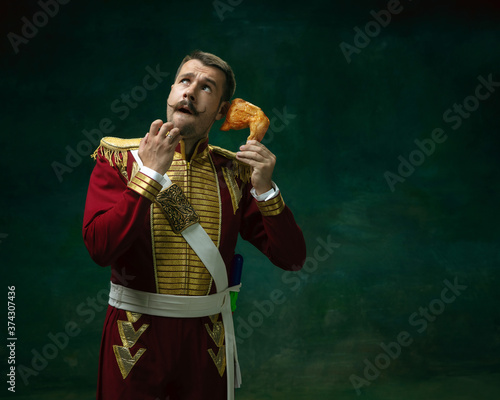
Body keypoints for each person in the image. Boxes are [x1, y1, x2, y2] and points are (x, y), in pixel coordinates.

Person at [83, 50, 306, 400]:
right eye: (185, 81)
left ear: (221, 111)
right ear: (171, 92)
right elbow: (100, 248)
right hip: (134, 338)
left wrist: (265, 190)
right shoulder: (120, 159)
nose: (190, 91)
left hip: (207, 344)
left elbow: (292, 258)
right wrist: (151, 174)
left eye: (206, 87)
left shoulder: (235, 173)